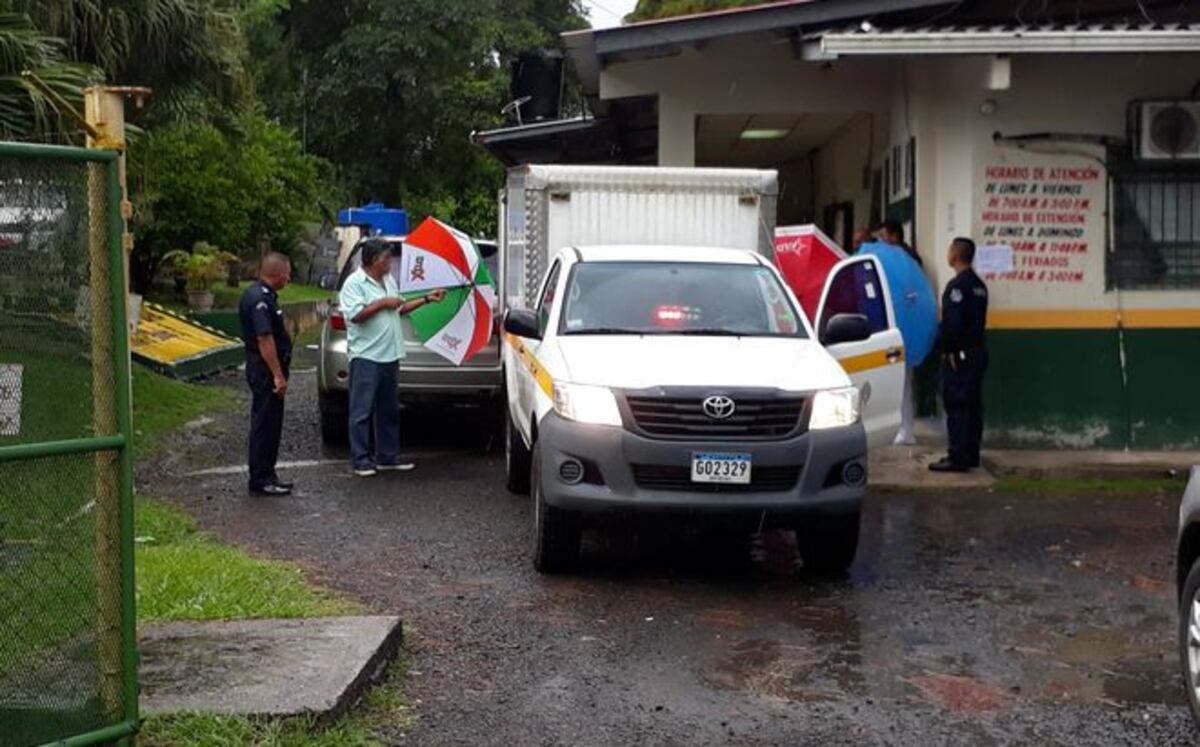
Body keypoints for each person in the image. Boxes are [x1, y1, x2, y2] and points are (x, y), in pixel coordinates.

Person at [339, 239, 447, 477]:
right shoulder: (354, 283)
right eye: (386, 258)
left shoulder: (388, 280)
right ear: (373, 260)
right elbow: (355, 315)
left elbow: (399, 308)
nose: (390, 262)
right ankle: (361, 460)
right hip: (366, 354)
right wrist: (382, 303)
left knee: (388, 409)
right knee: (361, 410)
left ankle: (387, 456)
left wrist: (427, 298)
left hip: (390, 354)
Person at [930, 237, 989, 473]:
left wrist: (948, 351)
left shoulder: (957, 287)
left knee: (958, 406)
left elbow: (953, 324)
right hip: (977, 353)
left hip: (960, 356)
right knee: (973, 406)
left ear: (955, 254)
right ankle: (971, 453)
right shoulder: (979, 286)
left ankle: (958, 457)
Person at [238, 252, 294, 496]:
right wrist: (277, 375)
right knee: (265, 423)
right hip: (265, 369)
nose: (289, 278)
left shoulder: (266, 296)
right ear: (278, 273)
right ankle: (260, 478)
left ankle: (269, 473)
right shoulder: (259, 299)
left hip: (269, 368)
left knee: (273, 423)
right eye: (288, 273)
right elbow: (264, 339)